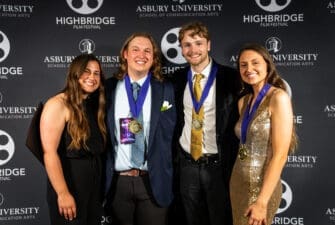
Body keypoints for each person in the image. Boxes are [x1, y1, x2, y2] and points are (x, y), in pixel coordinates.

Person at [171, 21, 240, 225]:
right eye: (187, 45)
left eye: (198, 43)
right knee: (190, 220)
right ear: (182, 49)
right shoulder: (175, 80)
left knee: (221, 219)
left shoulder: (232, 78)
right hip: (186, 165)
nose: (193, 50)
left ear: (209, 45)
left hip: (218, 165)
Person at [104, 32, 176, 225]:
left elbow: (172, 132)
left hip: (154, 181)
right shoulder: (108, 88)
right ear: (125, 54)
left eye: (147, 51)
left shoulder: (166, 89)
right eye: (135, 49)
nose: (141, 55)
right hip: (118, 183)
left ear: (153, 58)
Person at [230, 43, 298, 225]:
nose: (249, 69)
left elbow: (280, 155)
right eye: (243, 65)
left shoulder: (279, 98)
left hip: (262, 188)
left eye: (255, 63)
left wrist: (261, 201)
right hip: (237, 182)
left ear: (267, 65)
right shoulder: (243, 102)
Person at [40, 54, 107, 225]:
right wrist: (63, 193)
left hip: (92, 185)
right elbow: (49, 153)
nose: (92, 77)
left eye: (96, 73)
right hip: (70, 182)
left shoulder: (93, 105)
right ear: (75, 73)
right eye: (86, 71)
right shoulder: (57, 104)